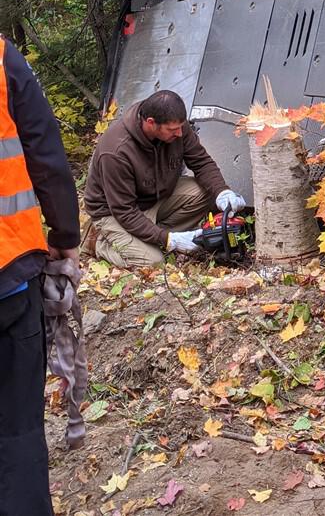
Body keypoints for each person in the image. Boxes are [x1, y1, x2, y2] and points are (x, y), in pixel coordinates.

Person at [0, 35, 81, 516]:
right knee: (18, 428)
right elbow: (44, 150)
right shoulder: (1, 55)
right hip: (9, 274)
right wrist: (65, 235)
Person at [84, 90, 245, 267]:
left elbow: (201, 162)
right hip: (115, 213)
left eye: (180, 127)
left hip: (155, 198)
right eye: (172, 130)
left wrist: (222, 192)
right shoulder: (116, 151)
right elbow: (124, 211)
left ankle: (151, 237)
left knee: (206, 192)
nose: (179, 134)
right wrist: (168, 239)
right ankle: (100, 243)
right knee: (153, 262)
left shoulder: (176, 127)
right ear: (151, 123)